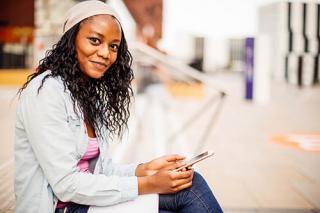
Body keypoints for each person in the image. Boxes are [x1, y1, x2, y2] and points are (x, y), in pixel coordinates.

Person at [14, 1, 223, 213]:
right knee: (188, 194)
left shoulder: (87, 95)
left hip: (86, 202)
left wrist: (146, 169)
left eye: (113, 46)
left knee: (189, 184)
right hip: (61, 207)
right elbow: (67, 185)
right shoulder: (46, 92)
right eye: (95, 41)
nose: (106, 53)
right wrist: (149, 183)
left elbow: (102, 172)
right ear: (71, 40)